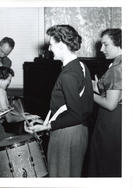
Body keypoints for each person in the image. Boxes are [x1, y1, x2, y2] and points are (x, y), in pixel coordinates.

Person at [25, 25, 94, 177]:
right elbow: (80, 108)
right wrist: (46, 122)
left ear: (62, 45)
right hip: (77, 130)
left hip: (67, 133)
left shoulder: (68, 75)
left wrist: (47, 126)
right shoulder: (80, 66)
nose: (49, 49)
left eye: (51, 44)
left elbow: (75, 114)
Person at [88, 28, 122, 177]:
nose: (102, 49)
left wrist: (89, 94)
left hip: (111, 121)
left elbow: (110, 104)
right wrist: (96, 86)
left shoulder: (117, 68)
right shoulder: (119, 63)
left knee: (105, 163)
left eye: (106, 45)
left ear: (120, 44)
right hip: (116, 119)